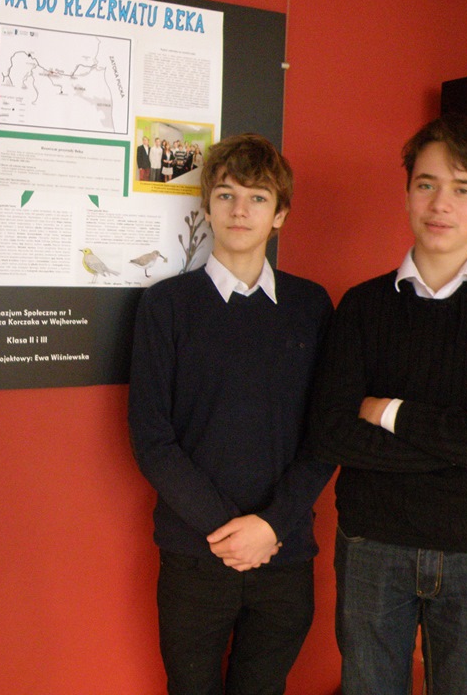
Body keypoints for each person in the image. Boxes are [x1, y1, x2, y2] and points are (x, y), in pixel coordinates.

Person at [308, 114, 467, 695]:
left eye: (463, 188)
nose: (440, 204)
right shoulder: (363, 306)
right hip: (372, 547)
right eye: (426, 184)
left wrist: (389, 413)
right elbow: (331, 433)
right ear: (407, 193)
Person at [129, 133, 334, 695]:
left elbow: (326, 434)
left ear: (280, 214)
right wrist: (228, 532)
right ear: (206, 207)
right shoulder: (166, 305)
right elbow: (152, 438)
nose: (240, 210)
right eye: (226, 195)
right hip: (194, 555)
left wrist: (270, 526)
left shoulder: (311, 306)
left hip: (284, 551)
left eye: (258, 198)